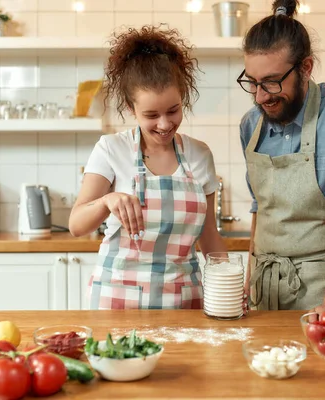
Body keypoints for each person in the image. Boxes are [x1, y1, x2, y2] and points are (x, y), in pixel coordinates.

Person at [238, 0, 325, 315]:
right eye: (253, 82)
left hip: (320, 288)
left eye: (272, 82)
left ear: (305, 68)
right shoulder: (251, 124)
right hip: (264, 286)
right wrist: (247, 282)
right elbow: (260, 209)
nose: (261, 96)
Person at [69, 25, 227, 310]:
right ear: (131, 109)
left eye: (173, 110)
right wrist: (107, 200)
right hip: (117, 302)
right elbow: (77, 225)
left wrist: (228, 282)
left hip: (184, 302)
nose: (165, 124)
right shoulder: (110, 149)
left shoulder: (199, 155)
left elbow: (210, 237)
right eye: (151, 115)